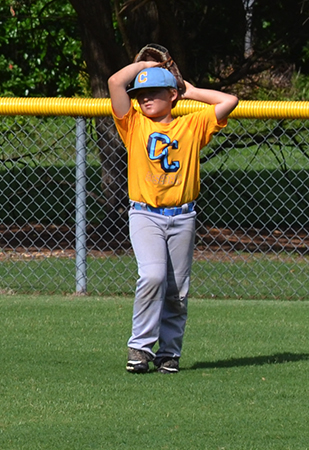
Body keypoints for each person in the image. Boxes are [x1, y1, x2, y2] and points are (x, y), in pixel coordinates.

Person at [106, 55, 239, 374]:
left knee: (177, 290)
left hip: (183, 216)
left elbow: (229, 100)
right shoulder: (133, 124)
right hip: (145, 215)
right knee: (152, 275)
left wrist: (190, 90)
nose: (146, 98)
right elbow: (114, 82)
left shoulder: (192, 124)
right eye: (141, 94)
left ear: (172, 95)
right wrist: (144, 66)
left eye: (154, 91)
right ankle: (139, 347)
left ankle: (169, 352)